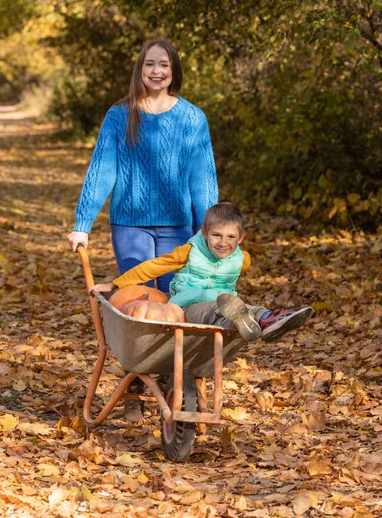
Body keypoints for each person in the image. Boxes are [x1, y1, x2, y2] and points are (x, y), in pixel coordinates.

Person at [67, 38, 218, 419]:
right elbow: (103, 170)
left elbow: (202, 178)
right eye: (149, 64)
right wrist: (82, 223)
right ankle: (135, 376)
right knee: (136, 303)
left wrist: (210, 231)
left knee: (173, 301)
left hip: (178, 227)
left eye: (163, 65)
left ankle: (171, 376)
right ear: (140, 69)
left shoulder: (192, 118)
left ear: (173, 71)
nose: (156, 71)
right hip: (130, 224)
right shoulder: (121, 115)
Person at [91, 202, 314, 417]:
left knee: (241, 310)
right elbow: (152, 267)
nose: (223, 243)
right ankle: (247, 320)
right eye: (216, 235)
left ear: (241, 238)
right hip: (188, 309)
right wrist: (115, 284)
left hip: (224, 310)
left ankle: (267, 319)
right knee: (220, 308)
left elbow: (240, 264)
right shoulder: (188, 252)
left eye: (231, 237)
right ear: (204, 231)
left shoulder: (241, 259)